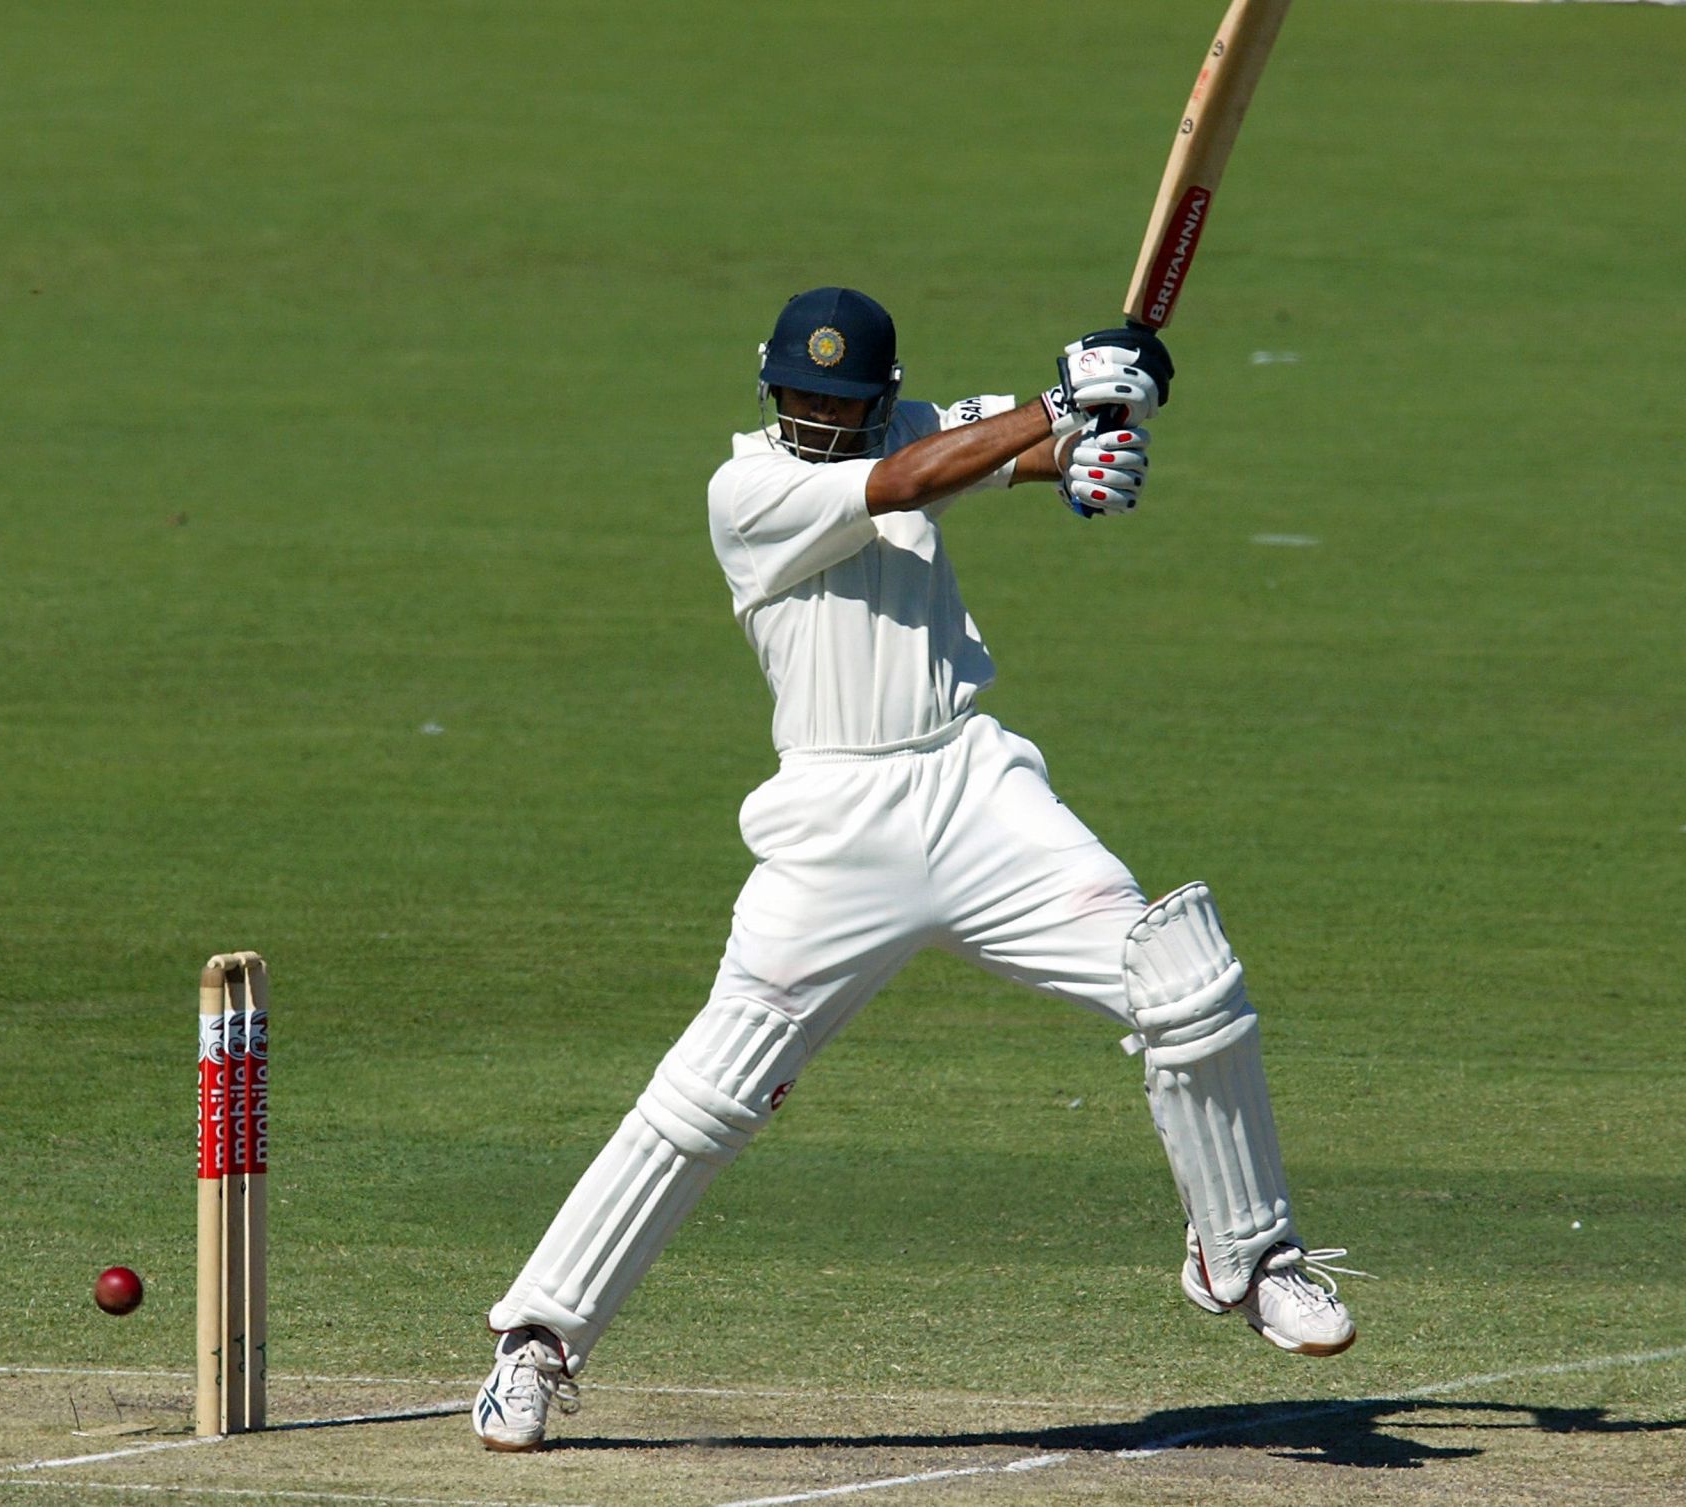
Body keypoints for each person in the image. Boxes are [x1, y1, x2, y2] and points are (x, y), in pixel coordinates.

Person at [470, 287, 1359, 1452]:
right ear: (767, 387)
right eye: (799, 396)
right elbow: (911, 481)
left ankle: (1245, 1256)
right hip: (833, 824)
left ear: (881, 397)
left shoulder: (916, 426)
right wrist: (1060, 402)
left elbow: (1014, 447)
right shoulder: (751, 488)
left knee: (1185, 980)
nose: (819, 420)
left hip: (974, 790)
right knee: (708, 1096)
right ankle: (537, 1343)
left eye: (840, 403)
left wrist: (1108, 412)